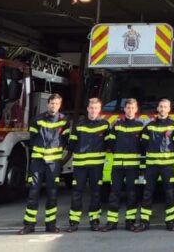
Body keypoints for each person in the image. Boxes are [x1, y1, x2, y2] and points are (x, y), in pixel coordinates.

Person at [19, 94, 68, 234]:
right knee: (33, 192)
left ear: (60, 105)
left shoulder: (64, 121)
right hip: (38, 162)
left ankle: (51, 225)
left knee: (52, 194)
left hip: (53, 163)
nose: (54, 106)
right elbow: (32, 140)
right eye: (52, 103)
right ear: (48, 104)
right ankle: (29, 225)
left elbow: (65, 139)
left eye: (57, 104)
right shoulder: (37, 120)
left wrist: (55, 150)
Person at [66, 97, 110, 233]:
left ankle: (94, 221)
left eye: (96, 108)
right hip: (80, 165)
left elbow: (109, 144)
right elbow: (71, 144)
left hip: (96, 165)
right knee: (77, 193)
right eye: (91, 108)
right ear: (87, 109)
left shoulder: (104, 124)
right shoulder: (79, 124)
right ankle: (74, 222)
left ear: (99, 109)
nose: (93, 110)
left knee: (96, 193)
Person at [104, 98, 146, 232]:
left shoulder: (140, 126)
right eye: (128, 107)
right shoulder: (117, 125)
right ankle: (112, 222)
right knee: (114, 193)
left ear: (136, 109)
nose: (130, 110)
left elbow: (143, 145)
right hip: (117, 166)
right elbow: (110, 143)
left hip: (132, 167)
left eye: (133, 108)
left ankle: (130, 222)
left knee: (132, 194)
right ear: (124, 109)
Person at [140, 98, 174, 231]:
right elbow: (143, 144)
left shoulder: (173, 125)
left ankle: (170, 221)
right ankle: (144, 221)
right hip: (151, 166)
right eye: (161, 107)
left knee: (169, 193)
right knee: (147, 193)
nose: (163, 109)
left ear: (169, 109)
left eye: (165, 107)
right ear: (157, 109)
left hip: (167, 166)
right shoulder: (149, 126)